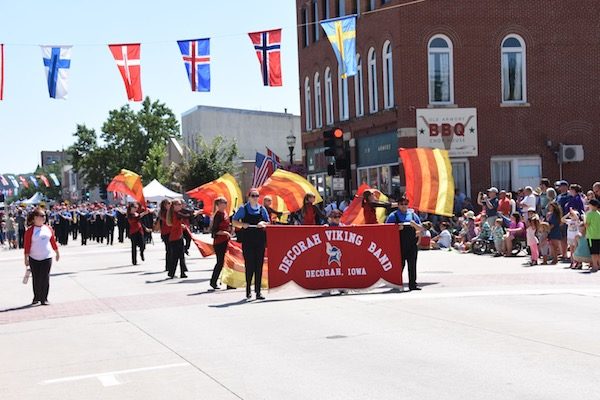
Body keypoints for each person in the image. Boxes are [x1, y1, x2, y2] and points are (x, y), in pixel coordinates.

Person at [232, 188, 270, 300]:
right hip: (248, 241)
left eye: (257, 195)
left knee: (259, 265)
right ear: (249, 197)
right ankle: (248, 290)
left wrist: (263, 223)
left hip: (260, 240)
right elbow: (234, 221)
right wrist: (242, 224)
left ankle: (258, 292)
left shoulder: (262, 209)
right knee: (249, 265)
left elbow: (268, 222)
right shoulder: (243, 208)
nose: (255, 198)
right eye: (253, 195)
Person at [385, 196, 424, 291]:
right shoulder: (393, 216)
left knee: (412, 265)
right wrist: (396, 228)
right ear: (398, 205)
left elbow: (421, 229)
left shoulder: (413, 215)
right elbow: (386, 230)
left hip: (412, 244)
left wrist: (414, 225)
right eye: (401, 204)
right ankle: (396, 284)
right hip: (399, 245)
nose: (404, 206)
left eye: (405, 204)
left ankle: (413, 285)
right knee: (399, 266)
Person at [23, 208, 59, 305]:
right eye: (41, 216)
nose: (43, 218)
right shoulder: (30, 231)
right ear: (34, 218)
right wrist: (26, 258)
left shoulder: (48, 228)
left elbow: (53, 241)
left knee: (45, 277)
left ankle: (44, 298)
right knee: (36, 278)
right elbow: (27, 245)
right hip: (34, 258)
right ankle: (36, 297)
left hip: (46, 257)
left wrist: (57, 252)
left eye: (44, 216)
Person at [210, 197, 232, 290]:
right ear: (218, 204)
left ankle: (229, 283)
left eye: (226, 202)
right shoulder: (218, 215)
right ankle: (213, 281)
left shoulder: (225, 213)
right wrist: (225, 233)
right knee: (220, 262)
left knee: (229, 262)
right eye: (223, 202)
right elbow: (214, 231)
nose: (225, 204)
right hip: (219, 242)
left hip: (226, 241)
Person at [584, 199, 600, 272]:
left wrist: (584, 218)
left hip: (591, 236)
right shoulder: (598, 214)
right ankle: (598, 264)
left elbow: (586, 225)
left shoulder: (589, 214)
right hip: (598, 235)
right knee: (598, 252)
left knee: (593, 253)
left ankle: (595, 266)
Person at [158, 199, 172, 272]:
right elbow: (168, 221)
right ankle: (168, 266)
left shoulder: (168, 212)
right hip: (166, 233)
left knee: (169, 250)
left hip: (169, 232)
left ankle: (169, 266)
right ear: (164, 205)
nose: (170, 204)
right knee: (169, 250)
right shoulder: (164, 213)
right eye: (168, 203)